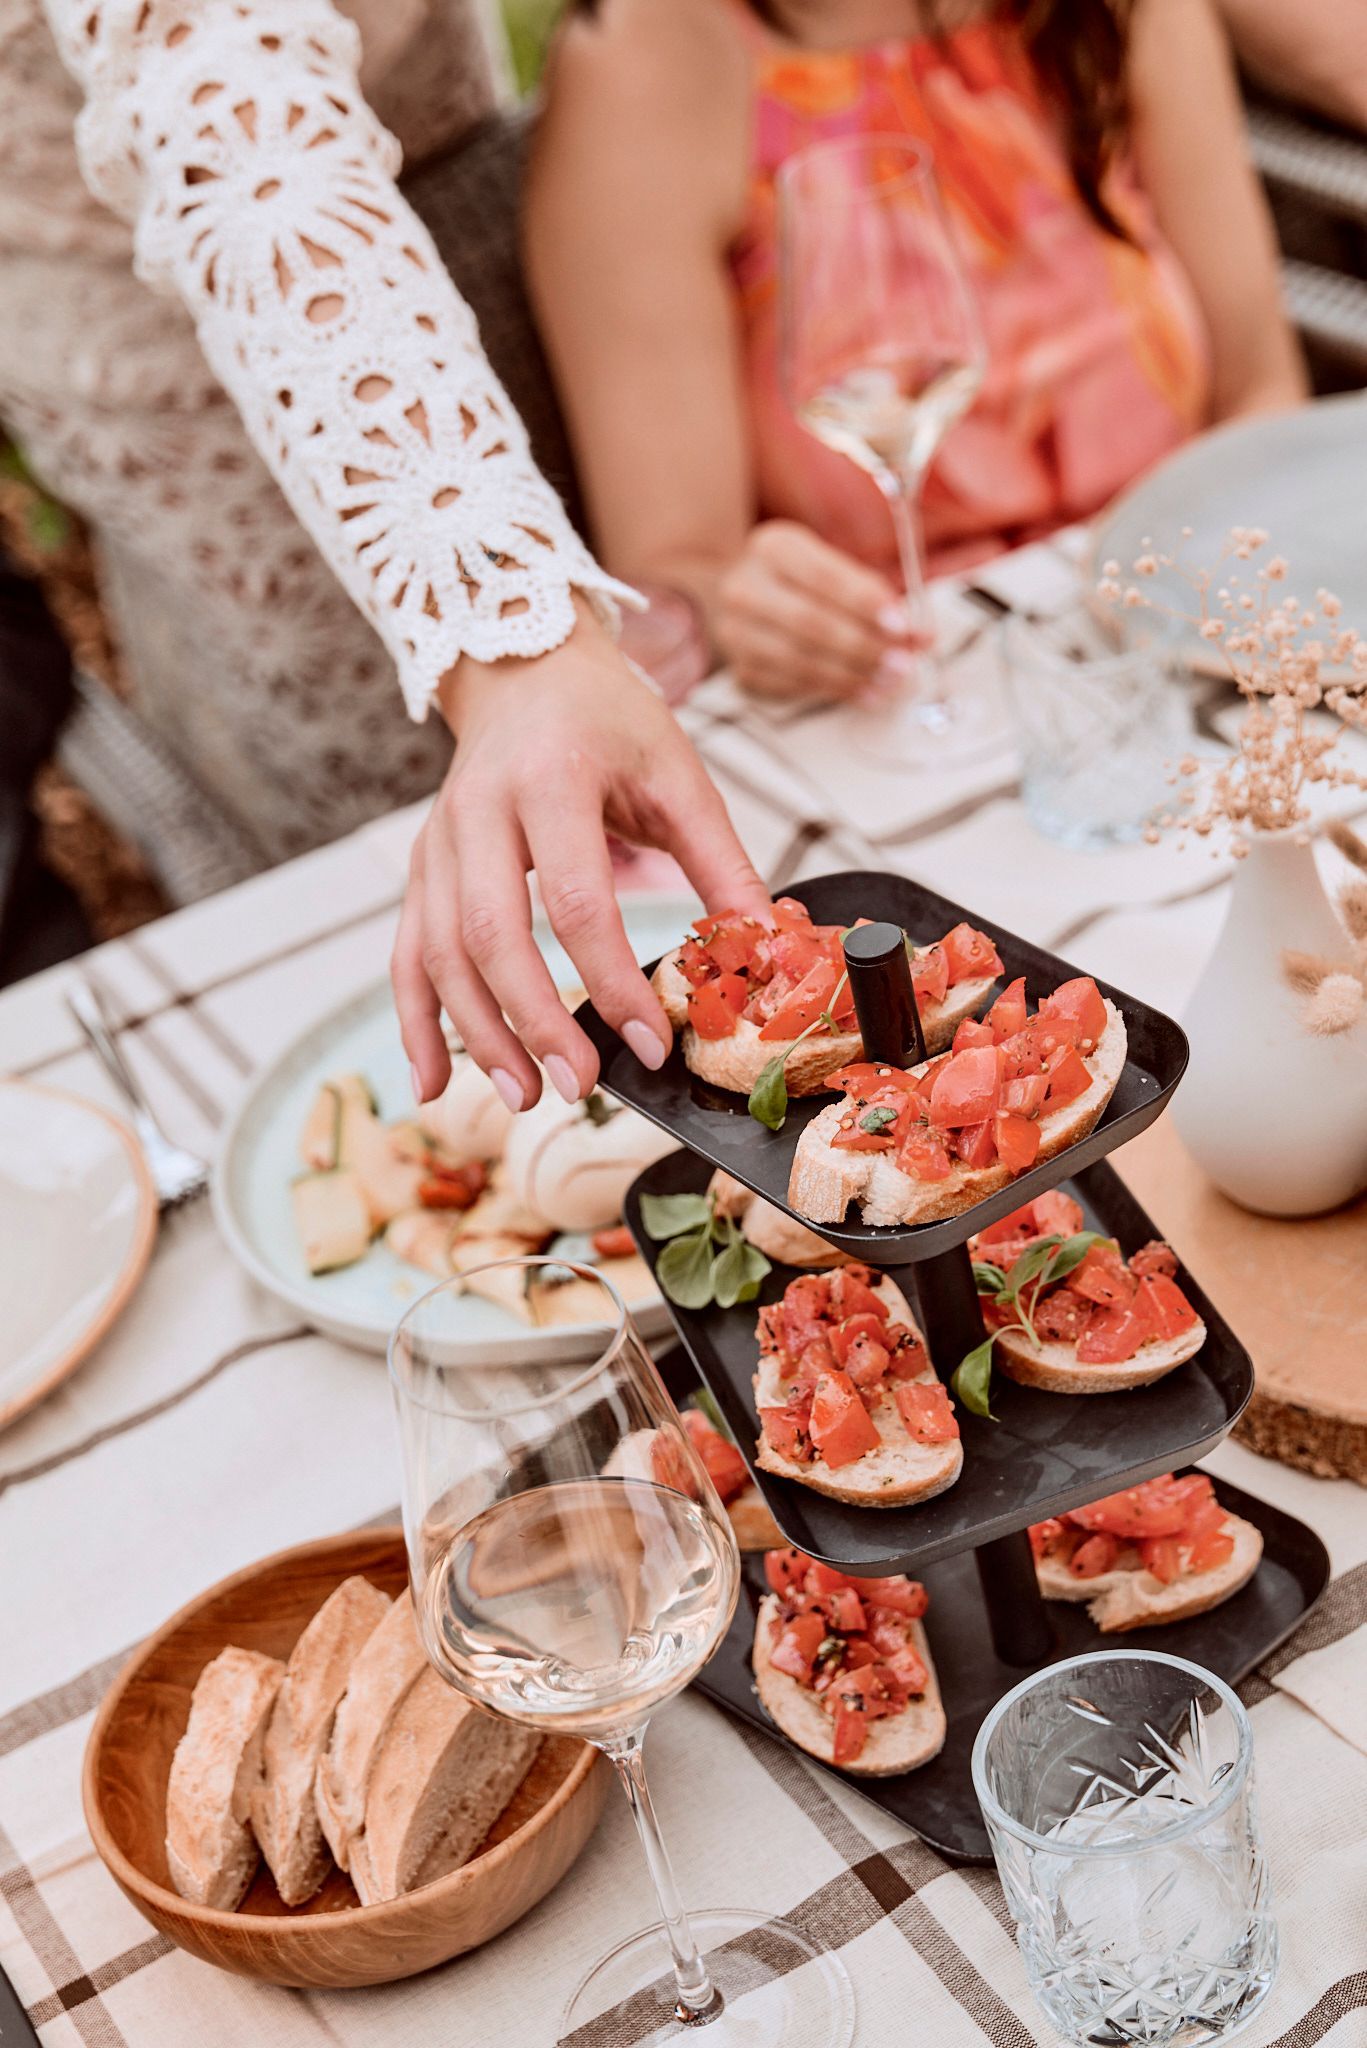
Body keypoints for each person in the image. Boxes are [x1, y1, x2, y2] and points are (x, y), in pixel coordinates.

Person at [5, 0, 769, 1107]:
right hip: (198, 324)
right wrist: (502, 623)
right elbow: (236, 124)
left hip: (467, 193)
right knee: (409, 874)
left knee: (627, 749)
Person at [525, 0, 1308, 704]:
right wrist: (745, 607)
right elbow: (679, 575)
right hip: (899, 699)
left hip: (1193, 630)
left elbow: (1263, 389)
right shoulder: (649, 59)